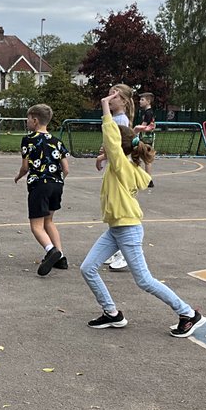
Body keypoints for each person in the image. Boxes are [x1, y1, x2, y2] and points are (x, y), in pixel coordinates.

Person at [80, 90, 205, 337]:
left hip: (127, 229)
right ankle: (112, 313)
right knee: (88, 268)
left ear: (118, 147)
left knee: (144, 280)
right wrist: (133, 142)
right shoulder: (131, 167)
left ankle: (188, 314)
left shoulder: (122, 166)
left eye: (110, 144)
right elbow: (144, 174)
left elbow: (112, 139)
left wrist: (105, 107)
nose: (105, 145)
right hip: (116, 228)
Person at [14, 103, 70, 276]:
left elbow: (25, 167)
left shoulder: (28, 140)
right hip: (56, 185)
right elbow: (66, 169)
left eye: (28, 119)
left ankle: (51, 250)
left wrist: (18, 176)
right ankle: (61, 257)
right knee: (49, 221)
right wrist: (57, 180)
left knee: (36, 226)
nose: (27, 122)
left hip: (39, 184)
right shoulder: (57, 141)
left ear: (35, 120)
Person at [94, 83, 136, 271]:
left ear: (124, 101)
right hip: (114, 168)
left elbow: (118, 148)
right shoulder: (117, 118)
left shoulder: (121, 120)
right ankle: (116, 247)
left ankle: (125, 252)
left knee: (119, 209)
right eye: (109, 95)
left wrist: (102, 156)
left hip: (120, 170)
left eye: (114, 96)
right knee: (112, 208)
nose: (109, 99)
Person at [133, 91, 156, 189]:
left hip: (146, 138)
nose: (140, 101)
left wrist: (135, 130)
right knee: (140, 157)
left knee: (146, 158)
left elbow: (143, 126)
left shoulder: (148, 113)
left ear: (148, 101)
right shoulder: (147, 112)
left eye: (142, 100)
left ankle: (148, 180)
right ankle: (143, 178)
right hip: (145, 137)